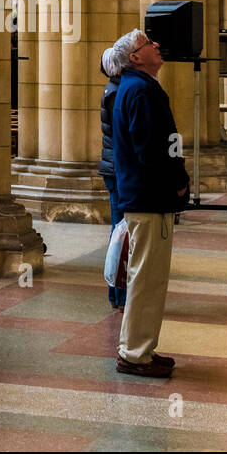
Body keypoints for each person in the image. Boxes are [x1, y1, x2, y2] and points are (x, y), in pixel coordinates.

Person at [109, 28, 188, 378]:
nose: (157, 44)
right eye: (147, 43)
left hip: (146, 194)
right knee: (145, 278)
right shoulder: (139, 91)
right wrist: (177, 181)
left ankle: (140, 347)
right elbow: (150, 149)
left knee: (150, 278)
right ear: (136, 57)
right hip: (147, 195)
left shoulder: (139, 88)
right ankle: (134, 354)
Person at [98, 47, 126, 310]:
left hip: (113, 169)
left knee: (119, 230)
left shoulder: (113, 88)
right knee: (120, 232)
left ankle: (117, 293)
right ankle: (119, 293)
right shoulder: (117, 92)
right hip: (118, 170)